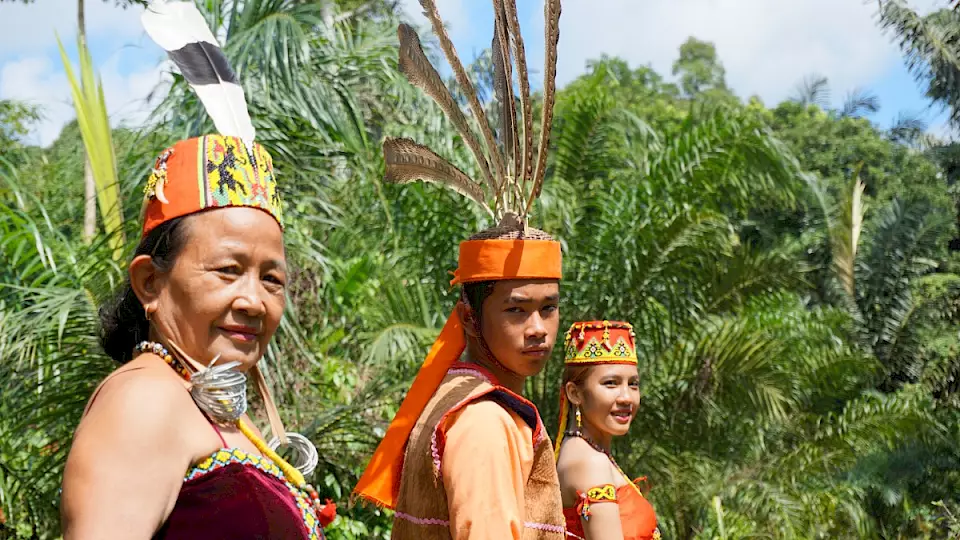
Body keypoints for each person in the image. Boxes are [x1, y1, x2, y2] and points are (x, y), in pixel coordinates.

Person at [60, 2, 333, 538]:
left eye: (272, 279)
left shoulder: (212, 409)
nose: (254, 300)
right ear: (150, 283)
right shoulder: (144, 402)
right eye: (228, 270)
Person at [353, 0, 566, 538]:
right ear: (470, 317)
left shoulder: (458, 400)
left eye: (548, 308)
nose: (538, 328)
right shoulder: (485, 421)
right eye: (515, 310)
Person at [554, 321, 660, 540]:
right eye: (611, 383)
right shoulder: (590, 463)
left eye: (633, 384)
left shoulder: (586, 451)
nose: (626, 397)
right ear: (575, 393)